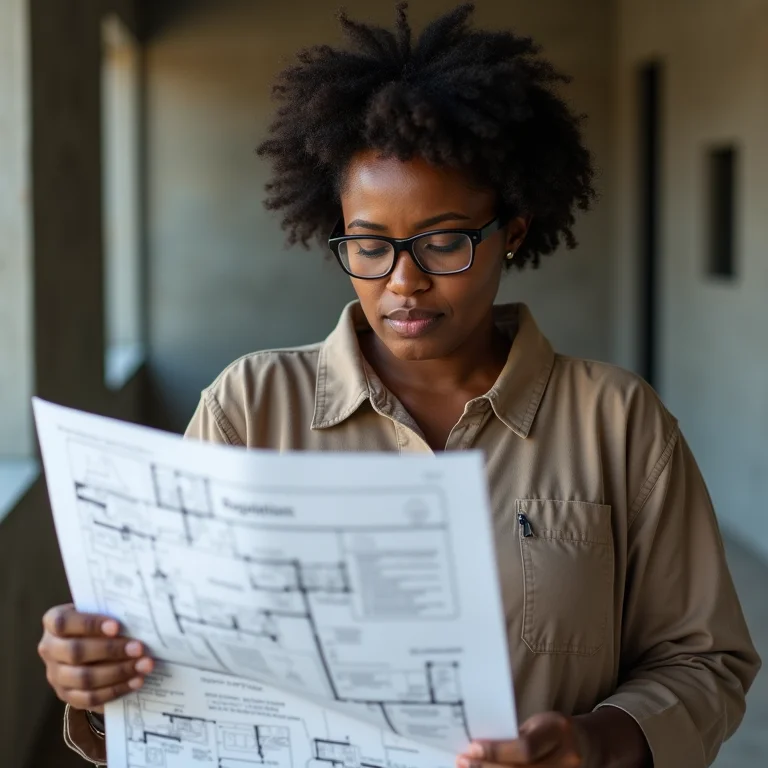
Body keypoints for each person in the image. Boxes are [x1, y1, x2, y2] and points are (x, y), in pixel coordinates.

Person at [38, 4, 760, 767]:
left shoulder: (618, 422)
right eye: (370, 245)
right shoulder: (249, 408)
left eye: (443, 240)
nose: (404, 281)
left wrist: (593, 742)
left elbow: (706, 662)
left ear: (511, 230)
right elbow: (174, 653)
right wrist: (96, 673)